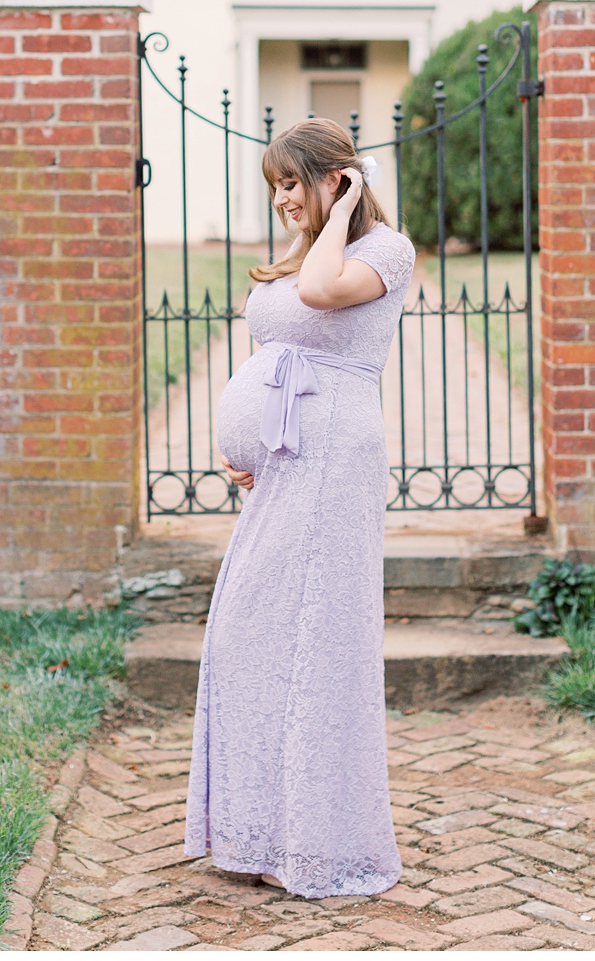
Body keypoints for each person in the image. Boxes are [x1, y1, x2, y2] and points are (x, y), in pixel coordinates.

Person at [181, 118, 415, 898]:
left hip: (333, 459)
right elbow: (276, 340)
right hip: (282, 465)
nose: (282, 198)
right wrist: (243, 439)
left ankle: (320, 841)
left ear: (338, 179)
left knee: (315, 635)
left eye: (294, 182)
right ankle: (259, 828)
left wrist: (346, 211)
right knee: (252, 630)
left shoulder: (383, 251)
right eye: (274, 185)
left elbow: (321, 294)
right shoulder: (296, 257)